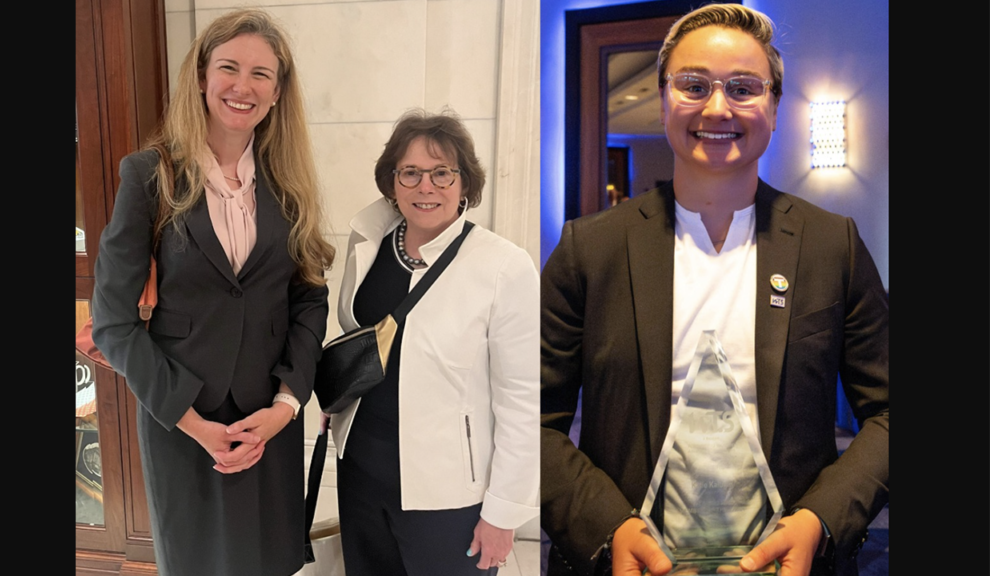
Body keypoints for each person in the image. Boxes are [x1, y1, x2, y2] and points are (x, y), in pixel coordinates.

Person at [540, 5, 889, 576]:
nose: (718, 107)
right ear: (663, 99)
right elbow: (530, 418)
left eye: (743, 88)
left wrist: (819, 520)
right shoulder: (590, 249)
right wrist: (607, 527)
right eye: (694, 85)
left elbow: (889, 413)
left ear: (774, 106)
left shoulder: (834, 245)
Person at [91, 8, 333, 576]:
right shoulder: (149, 176)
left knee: (270, 559)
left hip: (266, 418)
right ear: (201, 77)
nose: (242, 87)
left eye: (261, 74)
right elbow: (113, 322)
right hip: (183, 418)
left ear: (277, 93)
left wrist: (286, 403)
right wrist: (193, 421)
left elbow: (310, 300)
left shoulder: (289, 183)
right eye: (229, 67)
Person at [325, 109, 540, 575]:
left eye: (442, 173)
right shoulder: (369, 242)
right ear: (393, 182)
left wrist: (503, 512)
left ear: (465, 183)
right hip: (361, 471)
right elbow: (359, 335)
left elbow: (521, 399)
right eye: (412, 173)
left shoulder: (504, 267)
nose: (427, 186)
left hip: (447, 493)